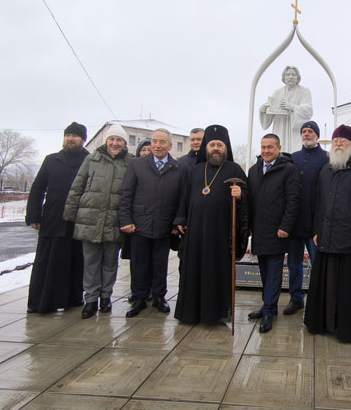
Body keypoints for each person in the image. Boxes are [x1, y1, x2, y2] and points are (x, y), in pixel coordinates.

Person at [304, 125, 351, 342]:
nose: (338, 143)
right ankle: (327, 323)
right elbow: (319, 203)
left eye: (343, 140)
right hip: (327, 236)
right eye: (336, 140)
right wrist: (317, 230)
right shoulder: (326, 170)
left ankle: (350, 328)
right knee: (327, 284)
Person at [174, 124, 249, 325]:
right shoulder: (196, 169)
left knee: (216, 273)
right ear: (206, 147)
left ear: (226, 148)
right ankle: (190, 313)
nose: (216, 148)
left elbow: (249, 198)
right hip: (195, 232)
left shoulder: (235, 169)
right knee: (192, 271)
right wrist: (180, 218)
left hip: (220, 233)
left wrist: (241, 195)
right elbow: (184, 196)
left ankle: (214, 314)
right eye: (212, 144)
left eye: (220, 145)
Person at [64, 124, 134, 318]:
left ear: (124, 143)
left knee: (110, 262)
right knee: (91, 262)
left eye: (119, 140)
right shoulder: (91, 159)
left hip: (114, 220)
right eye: (112, 139)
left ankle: (106, 297)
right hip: (90, 219)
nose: (115, 143)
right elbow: (77, 187)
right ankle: (91, 299)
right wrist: (70, 215)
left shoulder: (130, 162)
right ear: (106, 141)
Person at [119, 128, 188, 317]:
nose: (157, 145)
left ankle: (159, 296)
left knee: (160, 264)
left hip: (164, 226)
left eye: (162, 142)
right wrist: (126, 219)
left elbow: (182, 198)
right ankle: (139, 298)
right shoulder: (137, 165)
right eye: (155, 141)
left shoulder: (178, 168)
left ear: (170, 146)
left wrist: (177, 223)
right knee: (139, 264)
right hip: (139, 225)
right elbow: (126, 194)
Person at [25, 122, 90, 314]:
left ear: (83, 139)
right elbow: (38, 189)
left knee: (74, 261)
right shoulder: (51, 160)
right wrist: (34, 215)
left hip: (78, 221)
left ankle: (72, 298)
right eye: (68, 135)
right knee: (46, 262)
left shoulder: (90, 160)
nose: (70, 139)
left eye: (75, 136)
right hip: (52, 220)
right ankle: (39, 301)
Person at [246, 134, 300, 333]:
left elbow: (293, 201)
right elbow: (250, 200)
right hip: (260, 231)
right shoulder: (253, 171)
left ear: (278, 148)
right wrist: (249, 226)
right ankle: (267, 305)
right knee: (264, 271)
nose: (266, 151)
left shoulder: (288, 170)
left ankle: (269, 310)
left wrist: (286, 226)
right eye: (263, 147)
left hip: (278, 231)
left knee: (274, 273)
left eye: (270, 147)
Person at [284, 121, 328, 315]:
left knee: (318, 265)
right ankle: (296, 298)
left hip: (315, 223)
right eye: (304, 131)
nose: (307, 134)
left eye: (310, 131)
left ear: (317, 136)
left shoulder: (326, 158)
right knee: (294, 265)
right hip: (294, 223)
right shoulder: (293, 158)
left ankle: (319, 299)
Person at [259, 66, 313, 153]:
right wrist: (263, 110)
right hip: (281, 127)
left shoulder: (304, 91)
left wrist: (292, 107)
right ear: (284, 77)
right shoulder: (277, 93)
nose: (291, 77)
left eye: (293, 74)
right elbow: (269, 113)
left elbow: (308, 110)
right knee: (280, 149)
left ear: (297, 77)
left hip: (295, 129)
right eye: (288, 75)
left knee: (296, 153)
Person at [125, 137, 152, 304]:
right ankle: (137, 293)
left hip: (156, 223)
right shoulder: (133, 167)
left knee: (154, 263)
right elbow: (126, 195)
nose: (147, 153)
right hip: (135, 224)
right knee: (137, 262)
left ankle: (152, 293)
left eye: (149, 150)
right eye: (144, 150)